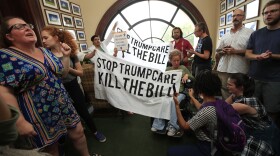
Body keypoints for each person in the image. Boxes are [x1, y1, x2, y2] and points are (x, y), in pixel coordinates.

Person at [0, 16, 99, 156]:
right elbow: (4, 91)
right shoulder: (5, 56)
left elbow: (62, 73)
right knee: (51, 148)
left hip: (63, 102)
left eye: (27, 24)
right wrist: (19, 121)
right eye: (18, 27)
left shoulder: (45, 51)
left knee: (78, 133)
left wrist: (65, 57)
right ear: (9, 36)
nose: (27, 28)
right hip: (38, 112)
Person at [41, 26, 106, 143]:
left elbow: (80, 73)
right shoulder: (46, 56)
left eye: (46, 38)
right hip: (57, 89)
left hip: (73, 85)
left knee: (83, 110)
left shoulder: (70, 53)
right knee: (63, 114)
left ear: (56, 38)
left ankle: (95, 131)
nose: (43, 41)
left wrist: (67, 68)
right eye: (42, 38)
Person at [168, 70, 223, 156]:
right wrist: (191, 96)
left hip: (208, 147)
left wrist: (177, 106)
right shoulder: (220, 102)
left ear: (200, 88)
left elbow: (185, 126)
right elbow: (202, 107)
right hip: (219, 141)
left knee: (171, 152)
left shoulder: (207, 111)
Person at [225, 73, 280, 155]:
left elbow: (220, 110)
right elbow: (224, 104)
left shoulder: (244, 103)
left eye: (230, 85)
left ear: (241, 87)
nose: (227, 86)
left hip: (264, 136)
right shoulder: (239, 95)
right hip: (254, 132)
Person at [245, 0, 280, 129]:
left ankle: (270, 137)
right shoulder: (256, 34)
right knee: (251, 108)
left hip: (274, 80)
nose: (268, 15)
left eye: (273, 11)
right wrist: (258, 56)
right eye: (265, 13)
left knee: (271, 112)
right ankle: (253, 133)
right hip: (254, 78)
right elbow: (248, 54)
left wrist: (272, 56)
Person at [151, 49, 194, 137]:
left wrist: (187, 75)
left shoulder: (183, 68)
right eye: (174, 60)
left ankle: (172, 126)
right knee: (161, 100)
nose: (176, 62)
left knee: (174, 101)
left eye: (178, 60)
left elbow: (192, 78)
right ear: (170, 61)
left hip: (180, 92)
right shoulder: (167, 69)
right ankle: (158, 124)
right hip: (168, 92)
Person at [214, 9, 254, 99]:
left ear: (244, 17)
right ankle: (227, 111)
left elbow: (253, 52)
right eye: (234, 16)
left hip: (239, 70)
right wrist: (223, 51)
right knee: (225, 91)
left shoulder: (250, 33)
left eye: (239, 15)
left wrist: (235, 52)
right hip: (223, 69)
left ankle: (237, 112)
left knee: (240, 93)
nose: (235, 17)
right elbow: (218, 51)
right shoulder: (226, 34)